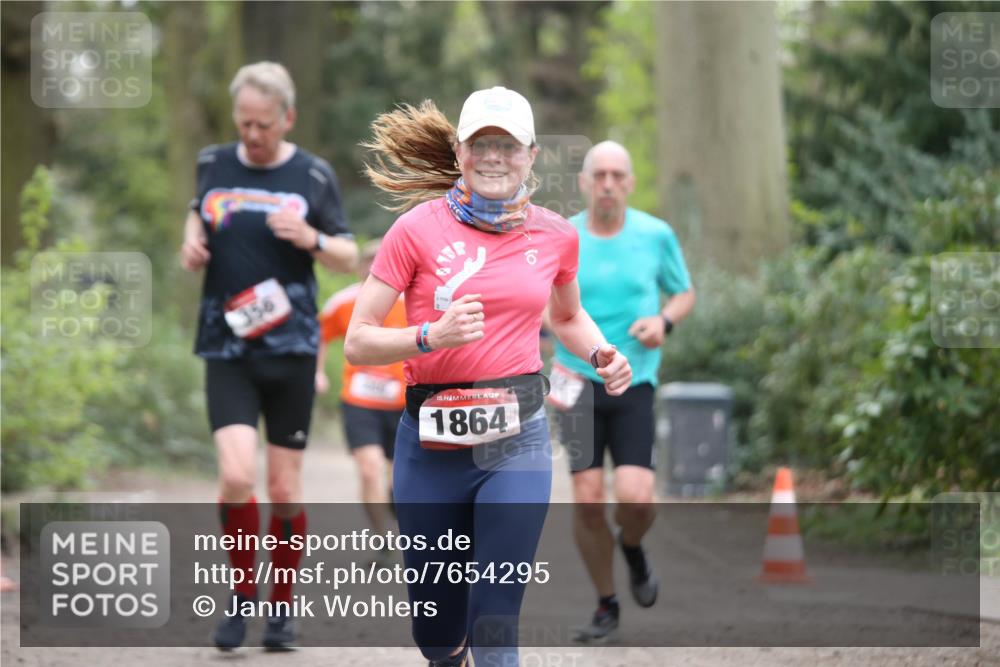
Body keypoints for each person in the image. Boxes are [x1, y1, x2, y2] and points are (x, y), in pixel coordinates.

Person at [345, 87, 633, 667]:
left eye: (507, 145)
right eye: (481, 144)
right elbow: (358, 340)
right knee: (438, 637)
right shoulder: (415, 230)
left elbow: (569, 315)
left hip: (516, 443)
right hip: (429, 447)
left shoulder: (555, 235)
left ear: (530, 154)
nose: (494, 157)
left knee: (496, 621)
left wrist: (602, 353)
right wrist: (429, 336)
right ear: (460, 151)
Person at [179, 61, 358, 651]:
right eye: (244, 122)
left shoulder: (312, 175)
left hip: (292, 349)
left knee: (284, 491)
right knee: (234, 476)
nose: (253, 134)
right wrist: (191, 237)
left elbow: (348, 256)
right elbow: (196, 206)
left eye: (264, 124)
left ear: (288, 117)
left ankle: (281, 608)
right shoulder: (212, 162)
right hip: (226, 347)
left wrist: (311, 239)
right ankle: (241, 595)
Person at [550, 140, 695, 643]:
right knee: (587, 501)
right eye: (599, 175)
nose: (608, 184)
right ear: (584, 183)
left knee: (636, 500)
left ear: (630, 183)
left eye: (617, 175)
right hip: (573, 382)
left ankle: (632, 548)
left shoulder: (656, 235)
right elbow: (538, 302)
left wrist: (663, 321)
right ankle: (606, 604)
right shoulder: (561, 236)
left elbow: (684, 292)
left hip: (634, 379)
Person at [316, 238, 404, 551]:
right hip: (359, 401)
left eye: (379, 263)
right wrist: (317, 372)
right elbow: (319, 336)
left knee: (399, 478)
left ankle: (398, 509)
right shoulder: (342, 302)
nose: (372, 269)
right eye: (368, 263)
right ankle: (383, 539)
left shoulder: (408, 302)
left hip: (403, 402)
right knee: (368, 468)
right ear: (359, 268)